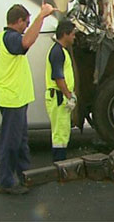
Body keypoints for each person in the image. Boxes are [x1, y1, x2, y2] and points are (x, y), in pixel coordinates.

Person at [0, 2, 56, 195]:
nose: (27, 27)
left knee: (20, 141)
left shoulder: (0, 38)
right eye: (26, 23)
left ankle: (26, 176)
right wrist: (41, 16)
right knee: (11, 142)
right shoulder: (11, 38)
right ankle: (7, 182)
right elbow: (26, 42)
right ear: (18, 21)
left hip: (14, 97)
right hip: (13, 98)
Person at [44, 19, 76, 162]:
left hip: (59, 96)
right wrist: (69, 96)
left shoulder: (59, 50)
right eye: (73, 34)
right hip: (58, 97)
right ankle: (59, 163)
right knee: (60, 132)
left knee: (62, 131)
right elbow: (58, 77)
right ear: (65, 34)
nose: (74, 37)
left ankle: (60, 162)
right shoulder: (58, 52)